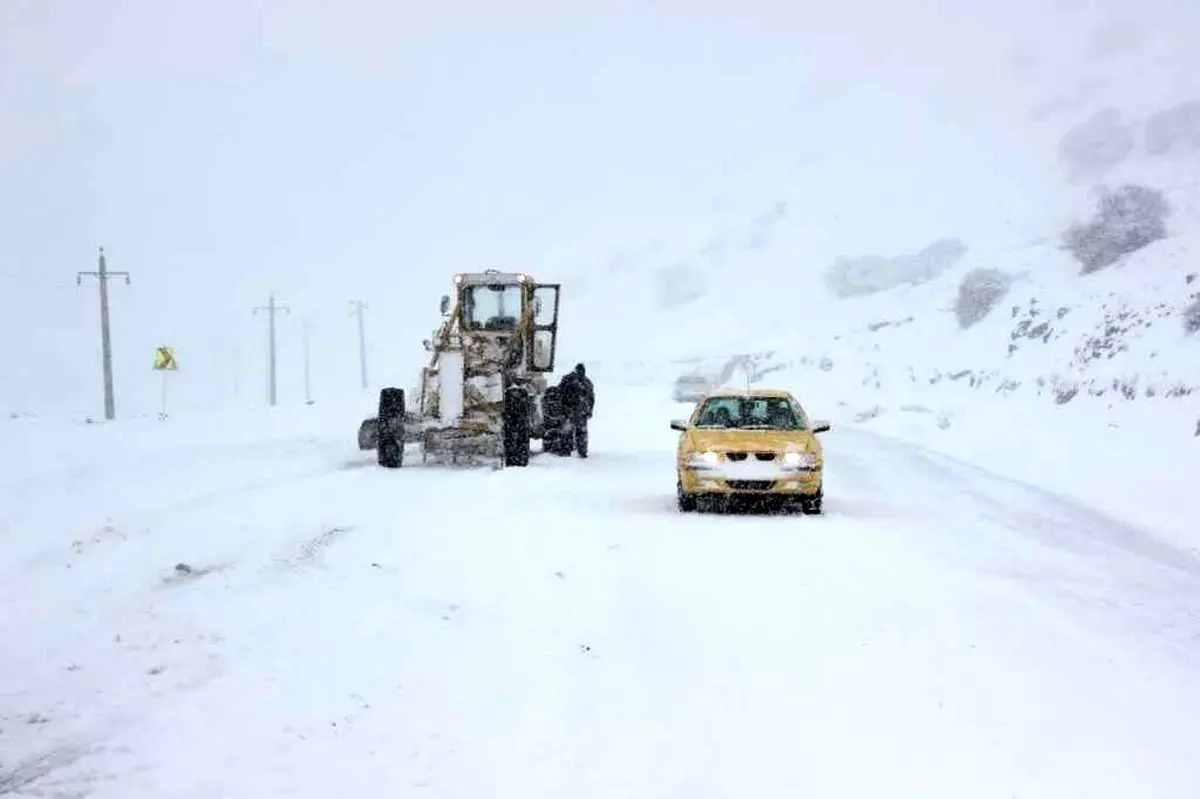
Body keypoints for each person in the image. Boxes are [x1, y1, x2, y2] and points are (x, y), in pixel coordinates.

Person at [557, 363, 595, 458]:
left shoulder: (568, 379)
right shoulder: (587, 382)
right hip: (579, 411)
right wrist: (589, 411)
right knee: (580, 432)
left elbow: (559, 392)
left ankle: (566, 451)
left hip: (570, 410)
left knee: (567, 431)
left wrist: (561, 407)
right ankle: (581, 451)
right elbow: (591, 398)